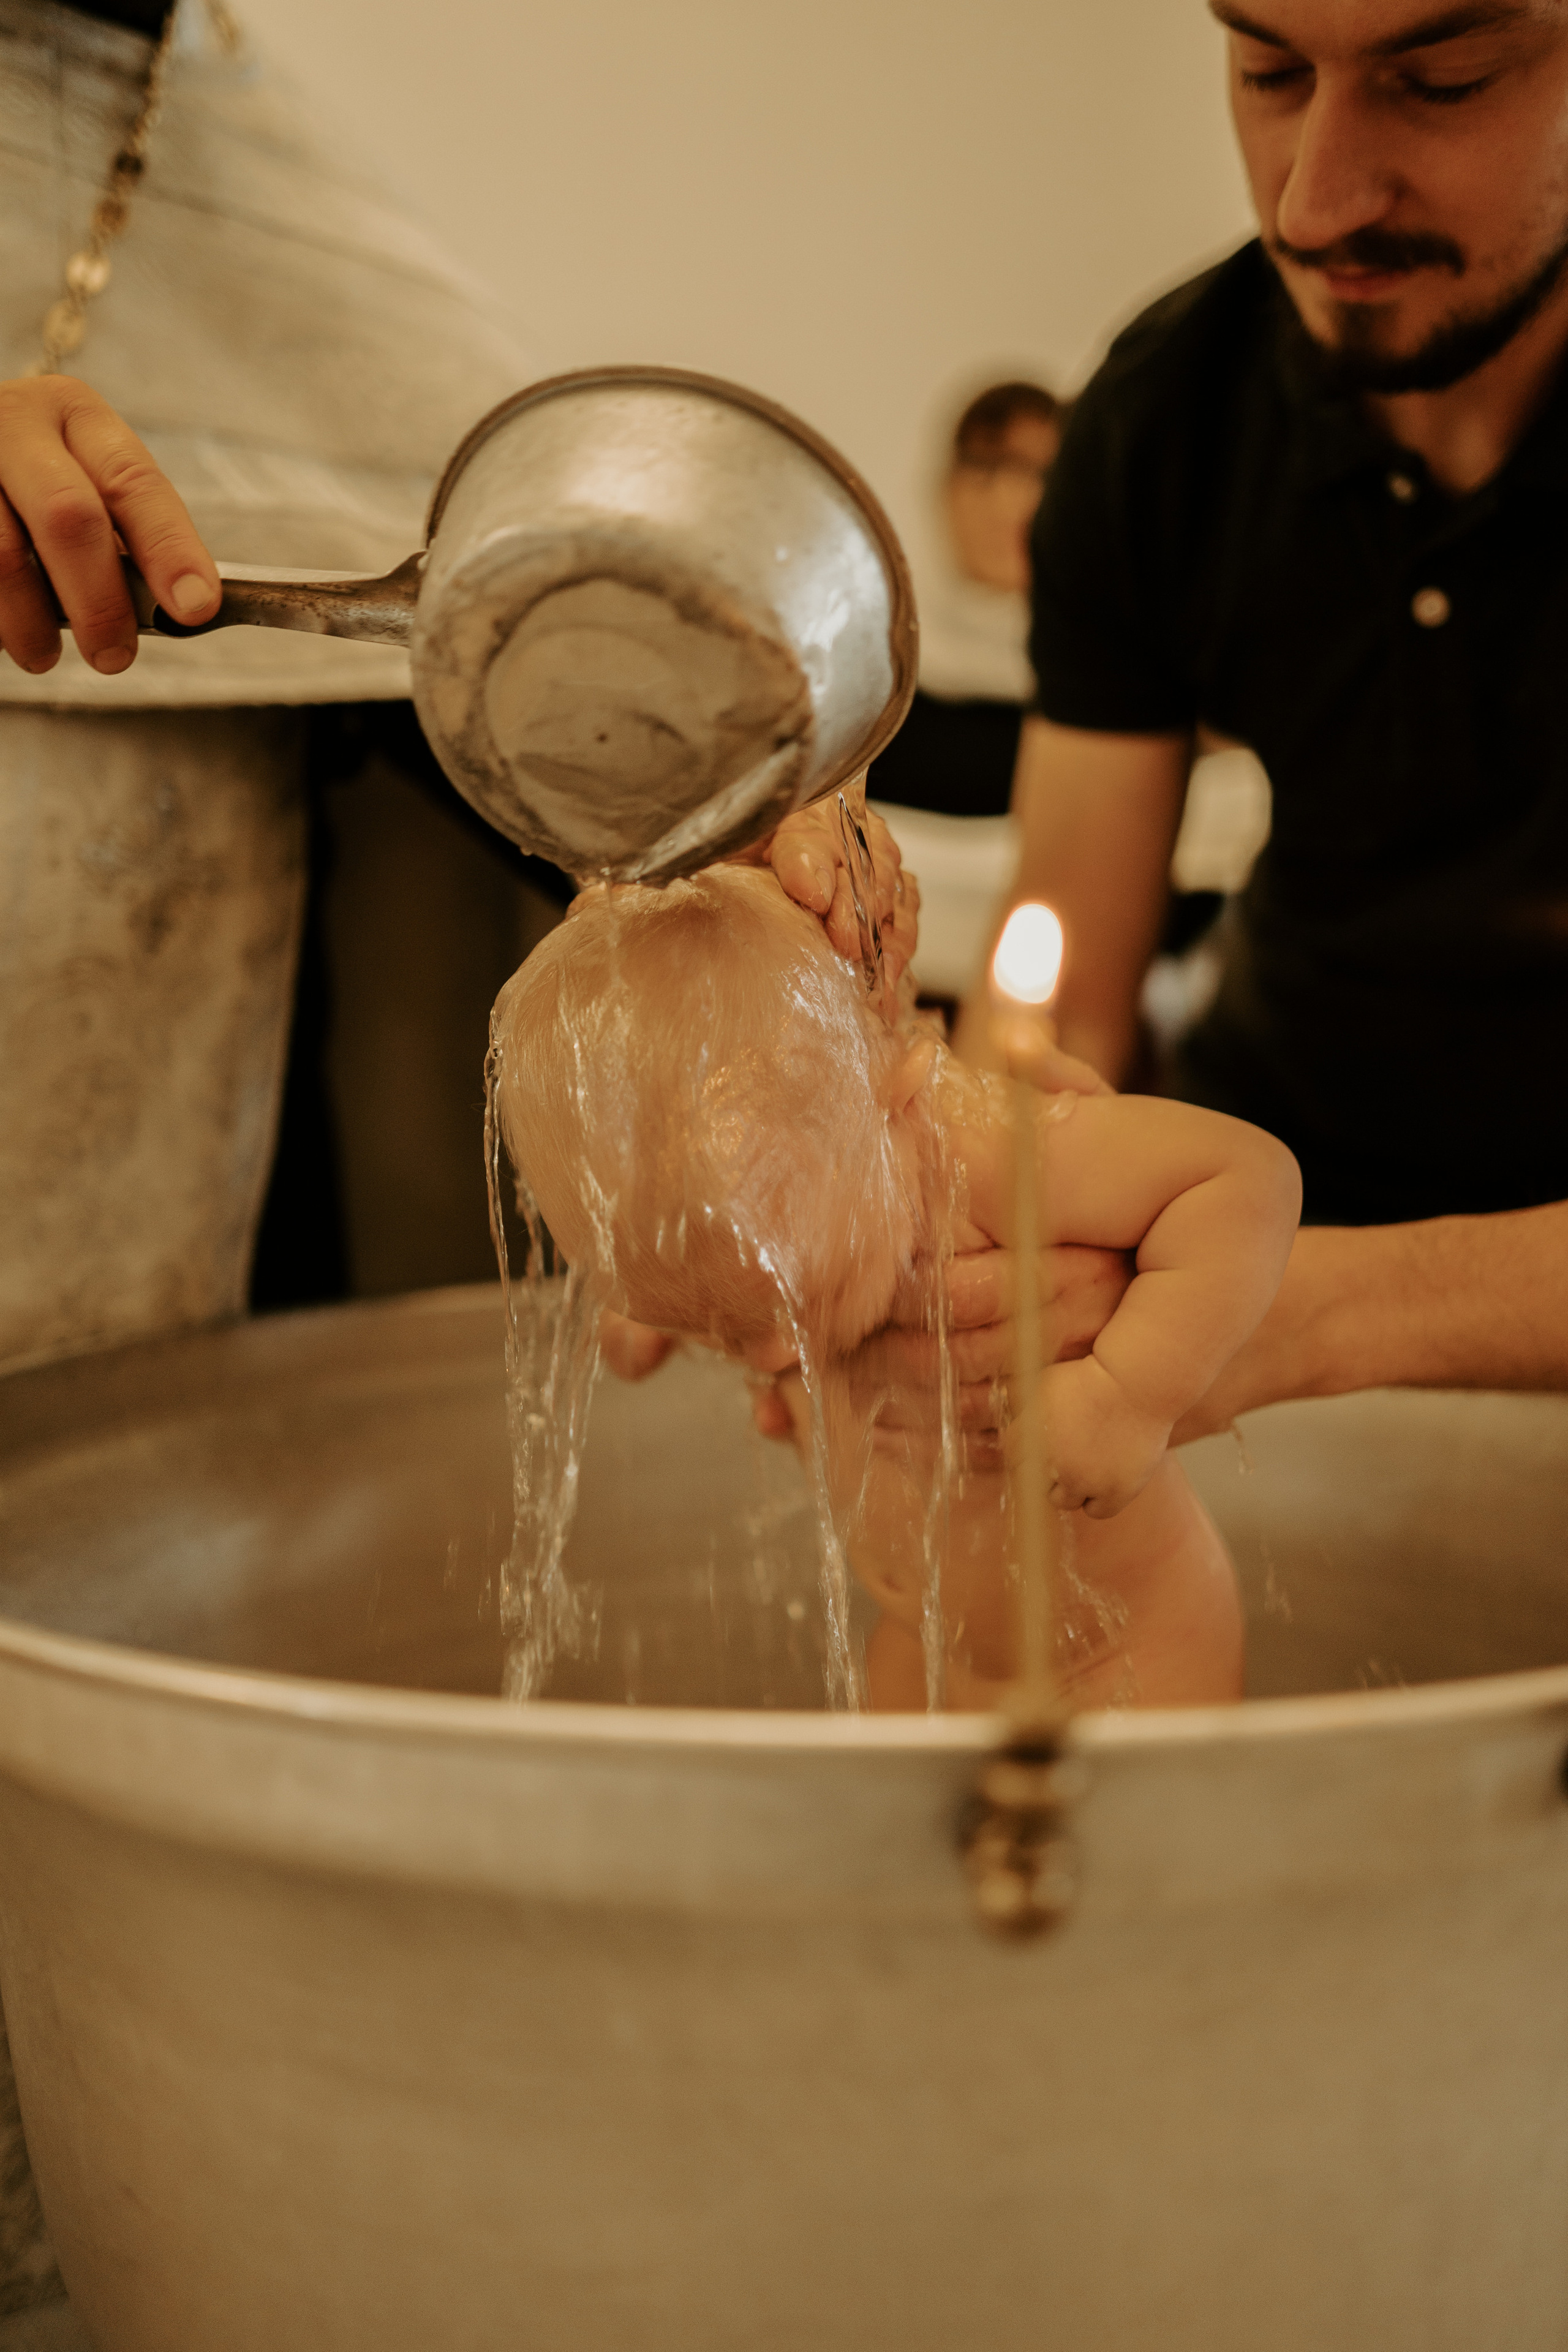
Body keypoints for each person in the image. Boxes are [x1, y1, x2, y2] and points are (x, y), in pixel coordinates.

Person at [956, 0, 1568, 1431]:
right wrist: (946, 1225)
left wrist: (1306, 1311)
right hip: (1267, 1198)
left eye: (1441, 81)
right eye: (1267, 72)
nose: (1312, 200)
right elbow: (1059, 1005)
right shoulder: (1162, 420)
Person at [491, 862, 1300, 1706]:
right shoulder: (753, 1215)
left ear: (892, 1097)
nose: (771, 1351)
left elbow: (1249, 1181)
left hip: (1124, 1653)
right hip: (925, 1641)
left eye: (793, 1294)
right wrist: (665, 1309)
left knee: (1137, 1841)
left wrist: (1132, 1390)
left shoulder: (989, 1153)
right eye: (730, 1328)